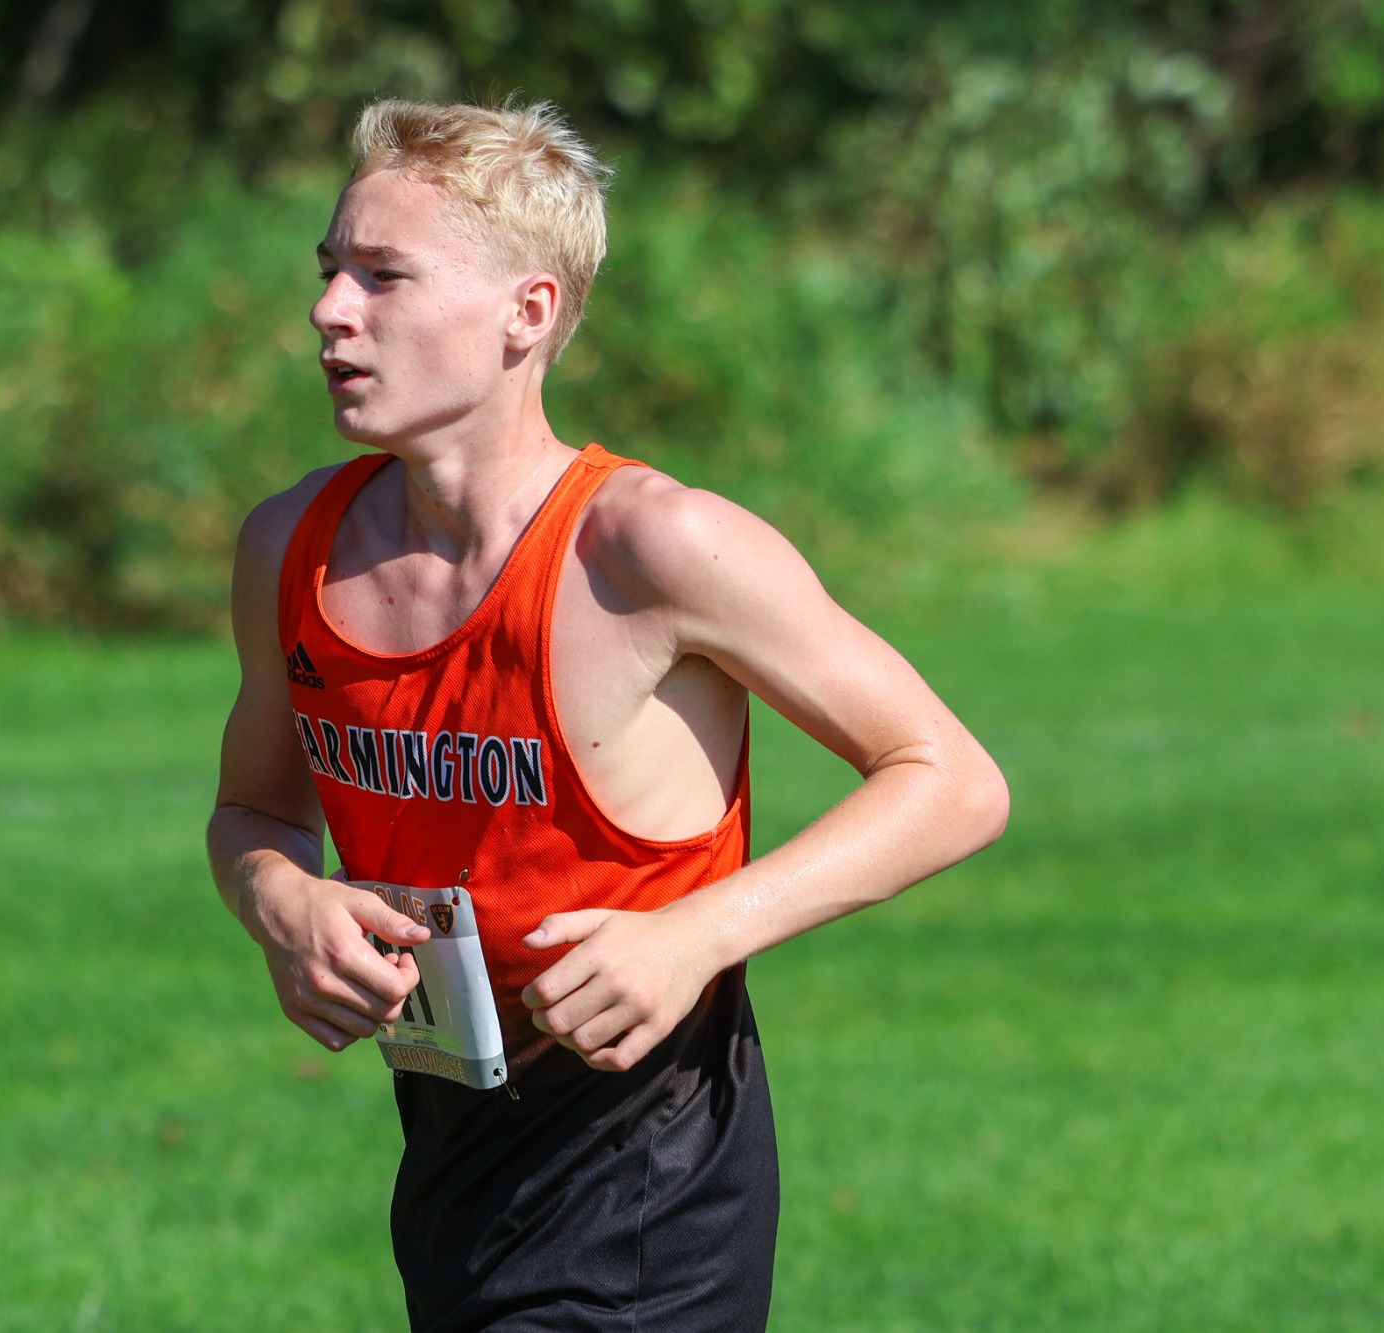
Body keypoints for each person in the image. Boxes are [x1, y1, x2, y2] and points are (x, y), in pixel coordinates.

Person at [207, 97, 1009, 1332]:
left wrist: (694, 934)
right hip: (452, 1169)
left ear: (526, 313)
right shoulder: (290, 549)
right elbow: (254, 809)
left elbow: (947, 778)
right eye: (328, 270)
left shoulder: (653, 547)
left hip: (651, 1184)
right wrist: (280, 899)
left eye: (382, 275)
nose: (329, 309)